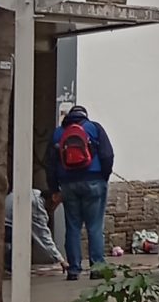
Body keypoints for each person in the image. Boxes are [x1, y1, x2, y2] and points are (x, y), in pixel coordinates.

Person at [49, 103, 115, 278]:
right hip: (94, 181)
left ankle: (73, 270)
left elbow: (51, 163)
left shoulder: (58, 133)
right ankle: (97, 268)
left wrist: (54, 187)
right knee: (95, 227)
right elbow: (107, 155)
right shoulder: (94, 128)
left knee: (72, 227)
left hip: (68, 184)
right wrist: (103, 177)